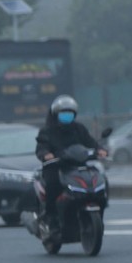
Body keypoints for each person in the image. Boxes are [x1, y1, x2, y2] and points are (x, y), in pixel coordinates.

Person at [35, 95, 106, 234]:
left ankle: (99, 209)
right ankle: (51, 218)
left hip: (78, 166)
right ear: (55, 114)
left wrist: (100, 150)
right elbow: (41, 146)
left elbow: (90, 142)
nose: (67, 115)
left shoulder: (79, 129)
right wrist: (46, 154)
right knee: (52, 183)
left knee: (100, 179)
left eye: (70, 113)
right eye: (63, 113)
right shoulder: (47, 131)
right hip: (56, 167)